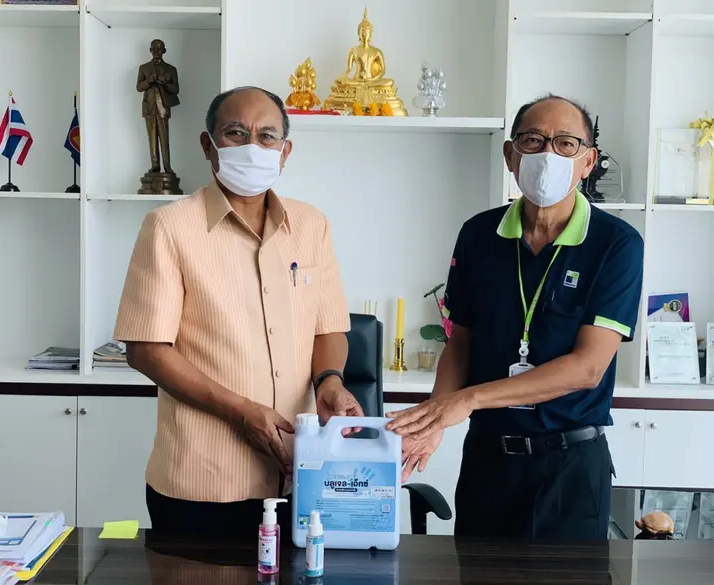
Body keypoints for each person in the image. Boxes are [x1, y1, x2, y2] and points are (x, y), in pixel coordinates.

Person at [386, 95, 644, 540]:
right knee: (477, 571)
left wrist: (468, 400)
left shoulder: (616, 244)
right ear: (511, 155)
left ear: (588, 162)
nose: (548, 154)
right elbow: (461, 343)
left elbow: (587, 368)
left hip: (570, 467)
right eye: (533, 141)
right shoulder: (478, 234)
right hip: (487, 462)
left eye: (566, 144)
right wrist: (432, 421)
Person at [114, 86, 363, 540]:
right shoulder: (169, 226)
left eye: (267, 136)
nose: (253, 147)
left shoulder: (311, 226)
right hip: (203, 482)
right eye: (235, 133)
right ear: (208, 145)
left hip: (301, 476)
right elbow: (146, 349)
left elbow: (328, 327)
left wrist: (330, 380)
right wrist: (241, 411)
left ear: (285, 151)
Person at [136, 39, 180, 174]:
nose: (157, 52)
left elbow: (176, 89)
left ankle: (167, 166)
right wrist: (148, 81)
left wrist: (165, 83)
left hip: (163, 107)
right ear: (150, 50)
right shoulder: (143, 68)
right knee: (152, 137)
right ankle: (155, 165)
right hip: (149, 107)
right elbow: (139, 87)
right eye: (154, 49)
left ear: (164, 51)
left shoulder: (171, 69)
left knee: (164, 137)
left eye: (159, 49)